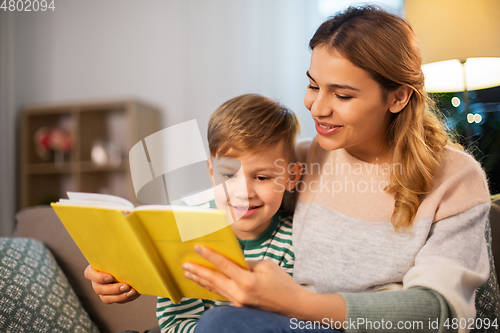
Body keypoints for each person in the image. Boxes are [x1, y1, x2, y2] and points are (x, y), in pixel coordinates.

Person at [86, 5, 490, 333]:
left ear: (398, 96)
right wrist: (133, 261)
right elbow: (225, 194)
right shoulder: (302, 160)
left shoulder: (455, 179)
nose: (317, 106)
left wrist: (299, 303)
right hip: (286, 324)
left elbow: (441, 313)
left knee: (224, 323)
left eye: (342, 94)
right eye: (314, 85)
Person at [85, 94, 303, 333]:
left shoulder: (295, 241)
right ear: (212, 173)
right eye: (229, 175)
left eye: (262, 177)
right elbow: (175, 322)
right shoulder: (187, 232)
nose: (244, 192)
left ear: (291, 177)